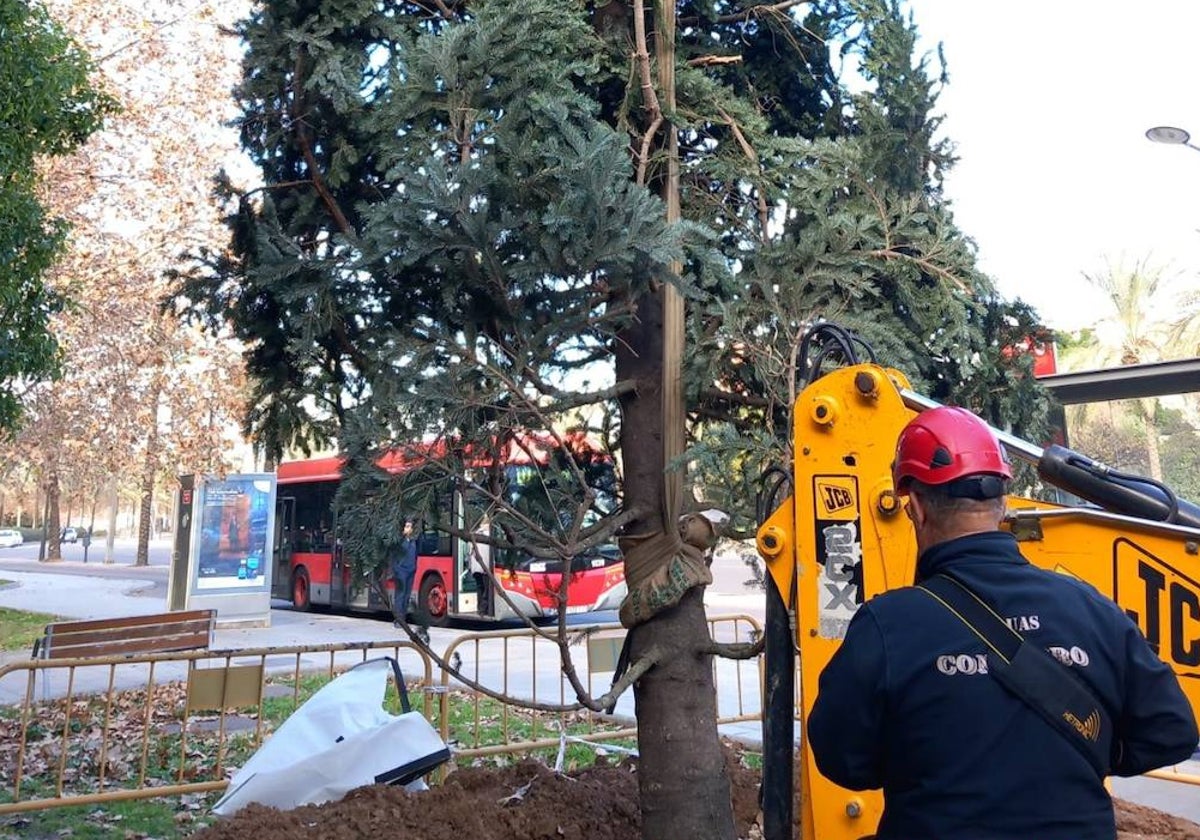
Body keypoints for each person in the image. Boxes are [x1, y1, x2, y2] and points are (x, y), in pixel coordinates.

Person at [807, 405, 1198, 840]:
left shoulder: (885, 625)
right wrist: (1079, 748)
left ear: (915, 507)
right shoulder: (1091, 608)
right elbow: (1172, 731)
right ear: (1003, 503)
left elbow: (841, 760)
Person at [390, 519, 418, 627]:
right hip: (401, 571)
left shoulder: (413, 541)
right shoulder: (399, 541)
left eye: (410, 527)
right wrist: (396, 569)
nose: (409, 529)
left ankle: (404, 619)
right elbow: (394, 556)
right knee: (400, 595)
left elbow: (416, 554)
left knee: (407, 595)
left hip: (411, 570)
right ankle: (398, 620)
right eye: (407, 526)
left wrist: (415, 567)